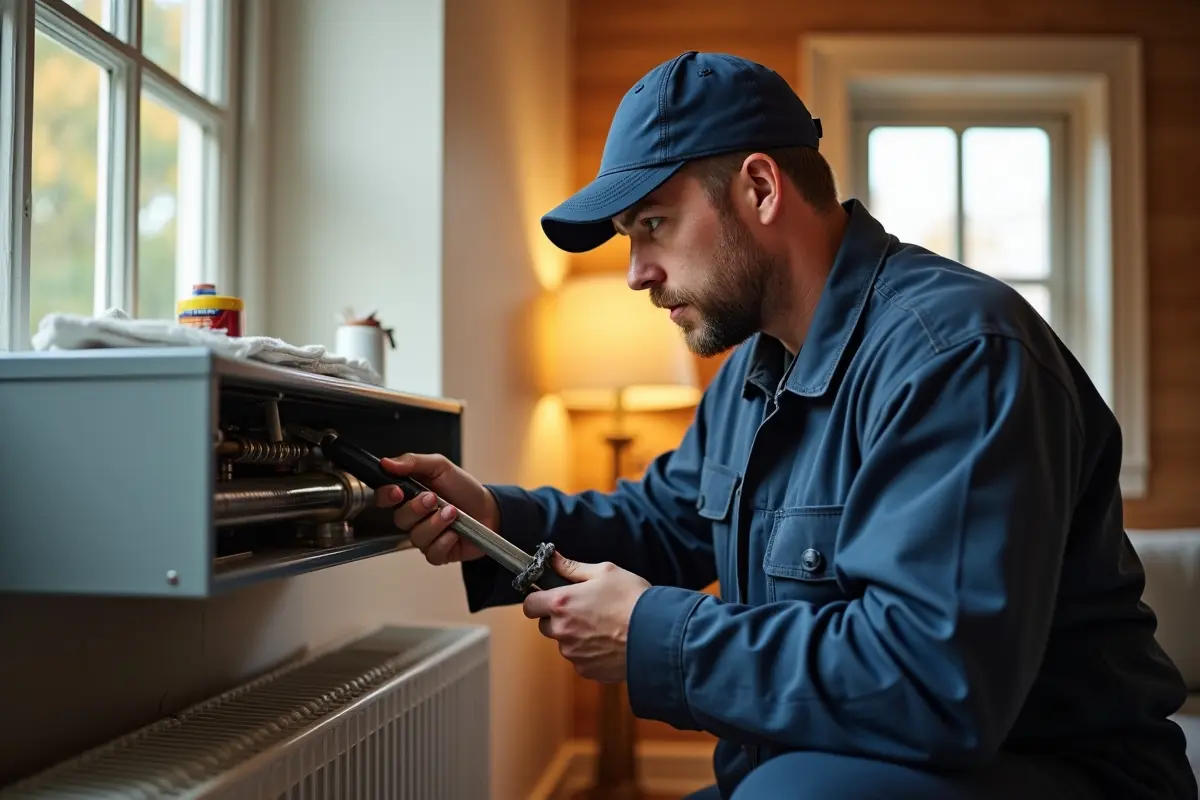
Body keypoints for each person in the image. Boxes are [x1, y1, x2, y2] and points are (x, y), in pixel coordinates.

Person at [377, 51, 1196, 799]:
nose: (636, 274)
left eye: (653, 225)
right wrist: (493, 515)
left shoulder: (956, 355)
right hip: (829, 763)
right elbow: (663, 520)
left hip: (1050, 772)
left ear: (761, 189)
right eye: (628, 240)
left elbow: (936, 680)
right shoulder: (752, 373)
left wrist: (653, 632)